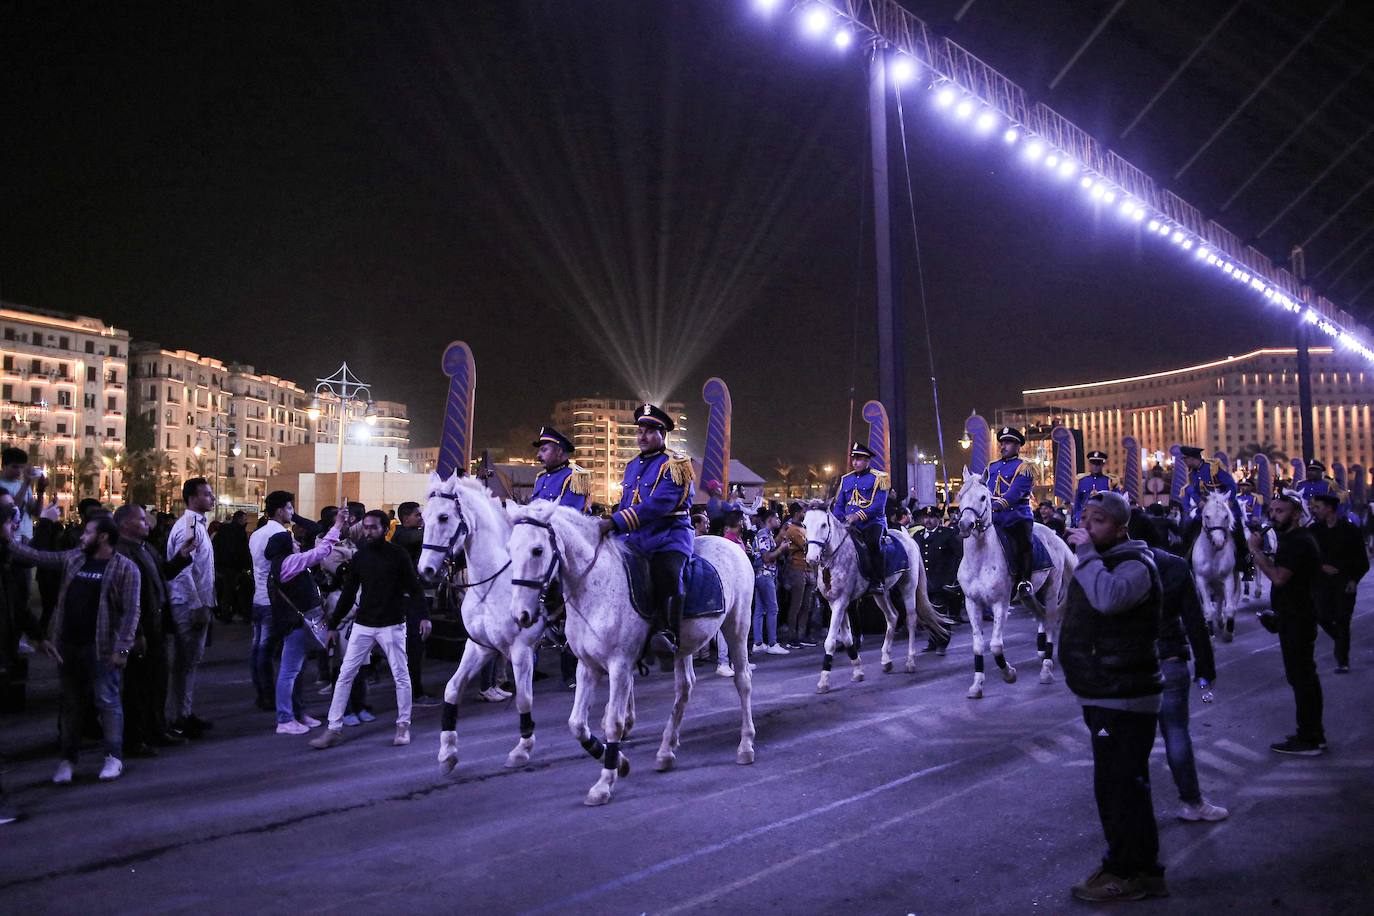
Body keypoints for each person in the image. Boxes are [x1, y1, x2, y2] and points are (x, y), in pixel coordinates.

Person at [1060, 491, 1166, 902]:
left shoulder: (1136, 565)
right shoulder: (1102, 561)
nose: (1087, 526)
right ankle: (1133, 866)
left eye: (1098, 520)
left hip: (1124, 696)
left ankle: (1129, 870)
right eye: (1085, 518)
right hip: (1102, 694)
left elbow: (1108, 599)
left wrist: (1085, 556)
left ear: (1121, 528)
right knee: (1115, 785)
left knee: (1122, 786)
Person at [3, 512, 143, 784]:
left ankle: (113, 757)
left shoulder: (125, 568)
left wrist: (122, 651)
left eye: (88, 532)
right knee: (70, 705)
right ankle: (68, 760)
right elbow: (38, 557)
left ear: (103, 537)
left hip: (101, 648)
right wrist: (9, 540)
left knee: (108, 702)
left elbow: (131, 615)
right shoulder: (74, 559)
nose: (82, 536)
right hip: (68, 647)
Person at [1127, 511, 1227, 823]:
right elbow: (1195, 620)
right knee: (1176, 732)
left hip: (1129, 666)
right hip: (1169, 658)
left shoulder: (1115, 566)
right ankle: (1191, 801)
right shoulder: (1175, 565)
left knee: (1131, 742)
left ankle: (1135, 809)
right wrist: (1206, 667)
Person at [311, 510, 423, 749]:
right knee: (344, 675)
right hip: (363, 625)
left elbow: (414, 588)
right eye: (366, 527)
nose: (368, 531)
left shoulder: (398, 555)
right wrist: (332, 624)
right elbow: (349, 592)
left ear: (384, 528)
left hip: (392, 625)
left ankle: (403, 726)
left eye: (373, 527)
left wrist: (424, 617)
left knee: (401, 677)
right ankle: (333, 728)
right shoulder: (360, 556)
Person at [597, 403, 694, 657]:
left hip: (669, 537)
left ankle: (667, 632)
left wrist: (615, 522)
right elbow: (628, 502)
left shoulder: (675, 464)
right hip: (635, 537)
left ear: (663, 434)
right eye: (640, 431)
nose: (642, 436)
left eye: (650, 431)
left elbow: (657, 506)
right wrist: (612, 526)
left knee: (668, 573)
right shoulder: (632, 466)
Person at [1248, 494, 1326, 755]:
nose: (1273, 515)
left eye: (1280, 511)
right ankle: (1310, 733)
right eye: (1271, 510)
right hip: (1291, 616)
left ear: (1295, 514)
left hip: (1299, 618)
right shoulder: (1291, 540)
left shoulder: (1299, 541)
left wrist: (1256, 551)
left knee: (1302, 678)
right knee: (1301, 677)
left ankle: (1311, 738)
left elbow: (1279, 578)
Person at [113, 503, 194, 756]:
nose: (147, 524)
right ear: (125, 523)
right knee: (137, 686)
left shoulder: (146, 548)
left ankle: (156, 729)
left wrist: (181, 557)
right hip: (141, 629)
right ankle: (135, 739)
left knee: (158, 681)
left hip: (157, 625)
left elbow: (164, 574)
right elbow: (124, 598)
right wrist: (135, 633)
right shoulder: (122, 552)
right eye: (141, 520)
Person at [266, 510, 349, 734]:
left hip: (298, 624)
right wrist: (338, 524)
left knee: (296, 671)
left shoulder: (283, 562)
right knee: (289, 672)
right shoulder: (288, 563)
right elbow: (321, 550)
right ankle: (284, 719)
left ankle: (298, 713)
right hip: (296, 625)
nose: (296, 542)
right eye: (292, 540)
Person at [165, 477, 217, 738]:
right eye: (207, 494)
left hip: (196, 602)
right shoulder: (189, 527)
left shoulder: (199, 525)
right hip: (187, 604)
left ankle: (183, 714)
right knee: (183, 663)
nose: (212, 498)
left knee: (189, 663)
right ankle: (176, 718)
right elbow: (183, 571)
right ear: (193, 498)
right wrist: (197, 605)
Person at [1308, 492, 1367, 673]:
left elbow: (1362, 560)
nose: (1314, 510)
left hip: (1344, 583)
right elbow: (1308, 558)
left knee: (1342, 620)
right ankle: (1339, 639)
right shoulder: (1314, 531)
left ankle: (1343, 660)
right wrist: (1321, 567)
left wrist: (1353, 580)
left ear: (1329, 508)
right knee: (1321, 616)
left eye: (1317, 507)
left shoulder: (1350, 530)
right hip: (1321, 584)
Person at [984, 427, 1036, 604]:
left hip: (1017, 517)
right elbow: (987, 489)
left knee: (1024, 543)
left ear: (1017, 446)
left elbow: (1016, 493)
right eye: (1002, 442)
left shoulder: (1025, 467)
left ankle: (1024, 580)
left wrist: (998, 504)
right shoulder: (992, 466)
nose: (1003, 446)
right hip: (994, 518)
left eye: (1007, 443)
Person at [832, 442, 890, 593]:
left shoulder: (879, 478)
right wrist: (836, 520)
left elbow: (878, 505)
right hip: (850, 523)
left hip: (873, 522)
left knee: (873, 543)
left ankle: (878, 581)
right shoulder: (846, 479)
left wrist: (857, 516)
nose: (855, 463)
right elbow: (839, 504)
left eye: (859, 459)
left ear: (867, 461)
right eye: (854, 459)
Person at [1179, 446, 1248, 565]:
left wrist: (1229, 500)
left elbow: (1231, 485)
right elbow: (1193, 490)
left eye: (1186, 459)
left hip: (1225, 507)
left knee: (1238, 533)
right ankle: (1187, 561)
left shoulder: (1213, 468)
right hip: (1207, 508)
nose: (1184, 462)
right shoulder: (1193, 474)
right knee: (1189, 531)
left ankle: (1245, 563)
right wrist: (1198, 500)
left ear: (1192, 458)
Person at [915, 506, 962, 654]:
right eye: (926, 518)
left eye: (932, 517)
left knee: (940, 613)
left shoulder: (947, 534)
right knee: (926, 614)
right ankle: (932, 641)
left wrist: (953, 578)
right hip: (924, 583)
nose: (928, 521)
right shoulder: (918, 536)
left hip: (942, 581)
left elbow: (957, 556)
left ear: (938, 519)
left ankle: (942, 642)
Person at [777, 502, 817, 649]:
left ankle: (800, 635)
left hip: (808, 569)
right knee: (796, 605)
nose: (805, 513)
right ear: (797, 513)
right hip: (797, 568)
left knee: (806, 605)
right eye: (803, 511)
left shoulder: (803, 528)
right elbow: (806, 546)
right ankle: (792, 637)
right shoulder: (791, 529)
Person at [750, 507, 788, 657]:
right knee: (773, 609)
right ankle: (772, 643)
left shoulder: (767, 535)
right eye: (777, 518)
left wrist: (781, 537)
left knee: (759, 610)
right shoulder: (763, 534)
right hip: (765, 575)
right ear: (770, 520)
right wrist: (781, 550)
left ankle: (758, 643)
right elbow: (766, 557)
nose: (779, 521)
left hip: (760, 576)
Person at [530, 427, 591, 511]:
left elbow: (568, 516)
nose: (538, 455)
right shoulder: (540, 477)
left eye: (544, 450)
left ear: (559, 451)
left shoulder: (576, 477)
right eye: (539, 451)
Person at [212, 509, 251, 623]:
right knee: (236, 591)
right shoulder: (239, 532)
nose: (246, 521)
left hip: (223, 565)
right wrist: (246, 565)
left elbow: (217, 547)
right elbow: (243, 550)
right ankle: (237, 613)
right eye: (245, 519)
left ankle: (225, 614)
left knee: (225, 591)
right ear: (239, 519)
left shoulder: (223, 530)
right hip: (235, 566)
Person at [1072, 451, 1116, 526]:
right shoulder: (1082, 480)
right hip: (1085, 518)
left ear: (1103, 465)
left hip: (1103, 518)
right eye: (1093, 463)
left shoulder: (1109, 481)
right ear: (1089, 464)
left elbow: (1114, 502)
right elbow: (1078, 502)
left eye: (1098, 464)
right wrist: (1077, 518)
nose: (1095, 466)